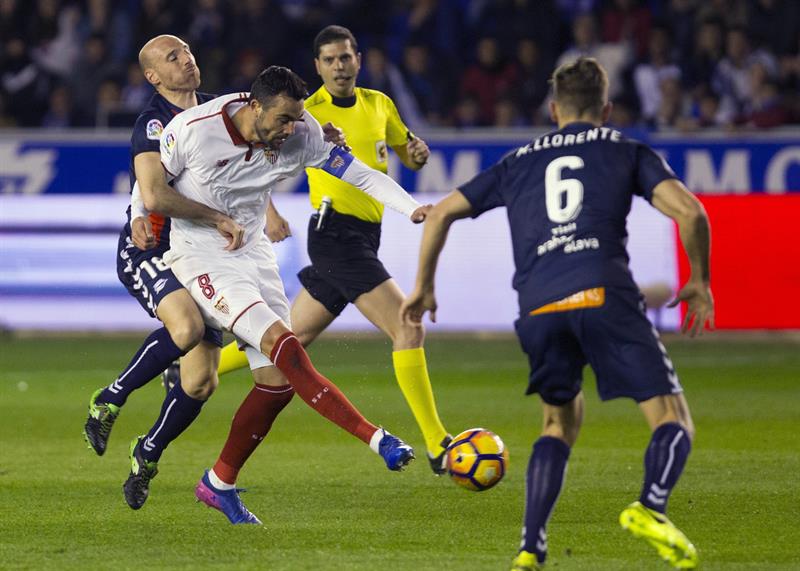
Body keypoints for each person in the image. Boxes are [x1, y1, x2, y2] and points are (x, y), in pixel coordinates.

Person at [400, 57, 714, 571]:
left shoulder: (518, 160)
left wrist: (423, 287)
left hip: (539, 305)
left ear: (553, 110)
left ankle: (530, 545)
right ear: (607, 109)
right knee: (671, 418)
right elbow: (691, 211)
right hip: (604, 294)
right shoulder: (626, 150)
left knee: (558, 421)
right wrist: (698, 280)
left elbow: (441, 213)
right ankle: (651, 508)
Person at [175, 26, 452, 501]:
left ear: (358, 59)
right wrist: (144, 220)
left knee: (285, 357)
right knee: (398, 328)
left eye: (346, 56)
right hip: (299, 239)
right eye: (329, 58)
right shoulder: (224, 126)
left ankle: (208, 435)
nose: (290, 130)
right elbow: (173, 180)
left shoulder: (360, 111)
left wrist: (411, 203)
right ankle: (415, 440)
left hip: (314, 242)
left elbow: (373, 167)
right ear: (318, 66)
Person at [83, 35, 242, 458]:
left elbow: (254, 154)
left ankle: (147, 453)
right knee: (186, 328)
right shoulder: (154, 123)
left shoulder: (219, 112)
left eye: (188, 51)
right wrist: (216, 218)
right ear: (153, 77)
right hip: (152, 247)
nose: (187, 60)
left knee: (202, 381)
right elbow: (154, 197)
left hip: (199, 251)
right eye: (173, 57)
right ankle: (110, 398)